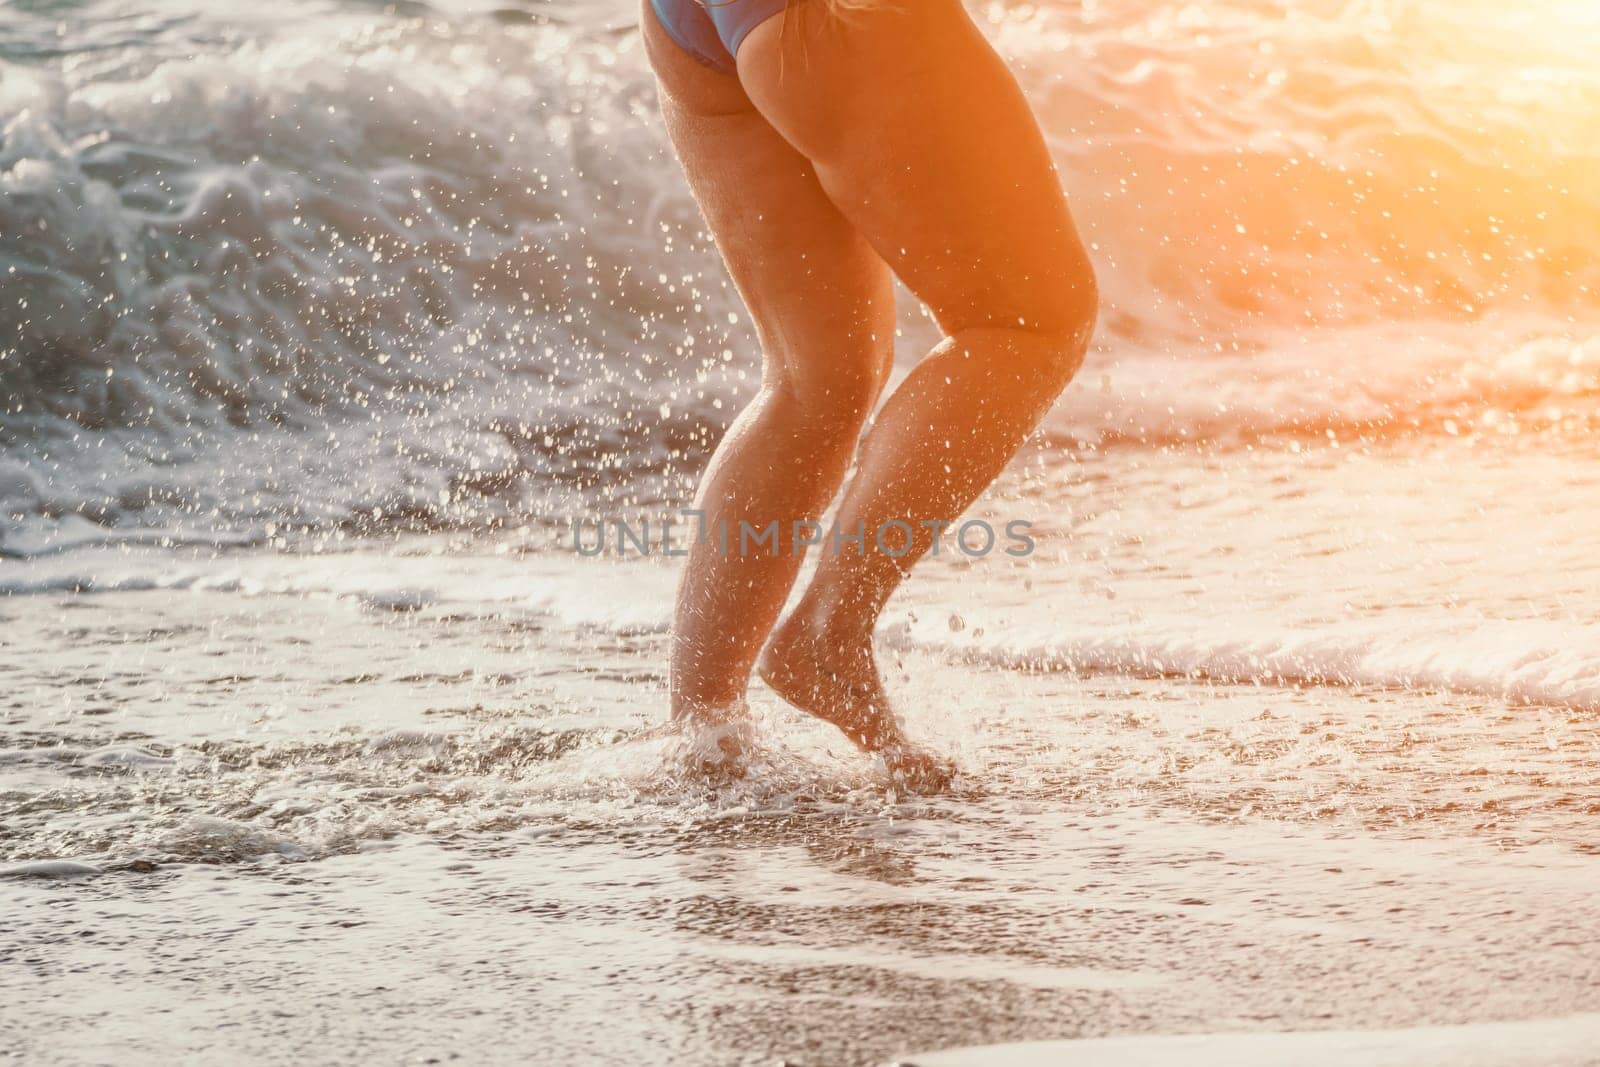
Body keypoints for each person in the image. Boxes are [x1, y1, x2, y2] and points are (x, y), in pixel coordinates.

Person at [642, 0, 1097, 787]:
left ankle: (704, 740)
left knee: (813, 378)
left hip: (686, 23)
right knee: (1033, 323)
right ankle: (829, 628)